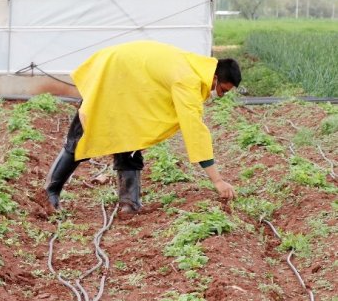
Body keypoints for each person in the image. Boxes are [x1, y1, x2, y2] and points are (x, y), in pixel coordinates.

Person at [44, 40, 240, 214]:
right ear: (215, 78)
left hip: (129, 82)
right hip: (113, 74)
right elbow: (194, 131)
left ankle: (129, 203)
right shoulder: (188, 79)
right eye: (222, 90)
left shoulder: (196, 66)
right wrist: (217, 180)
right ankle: (50, 193)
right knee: (83, 135)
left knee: (130, 135)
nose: (219, 95)